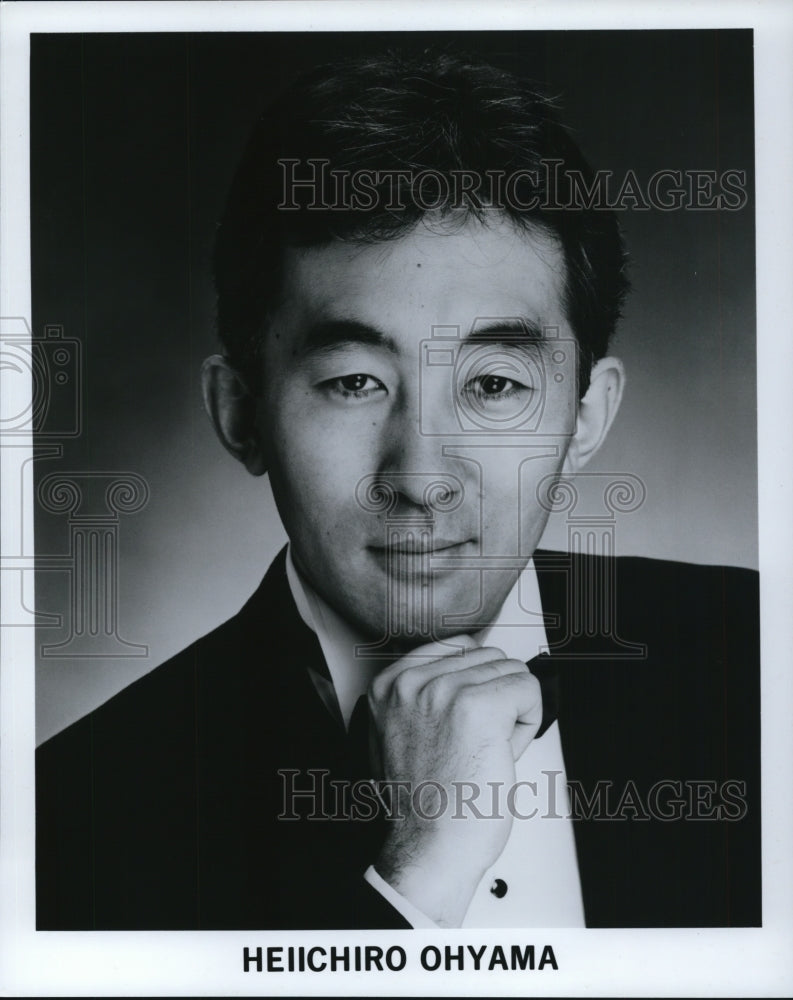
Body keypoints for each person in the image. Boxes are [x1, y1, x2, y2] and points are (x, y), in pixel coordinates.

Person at [36, 50, 760, 930]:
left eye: (493, 385)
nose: (420, 478)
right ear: (241, 413)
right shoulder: (66, 827)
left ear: (584, 414)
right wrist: (415, 878)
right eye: (353, 382)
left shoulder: (761, 666)